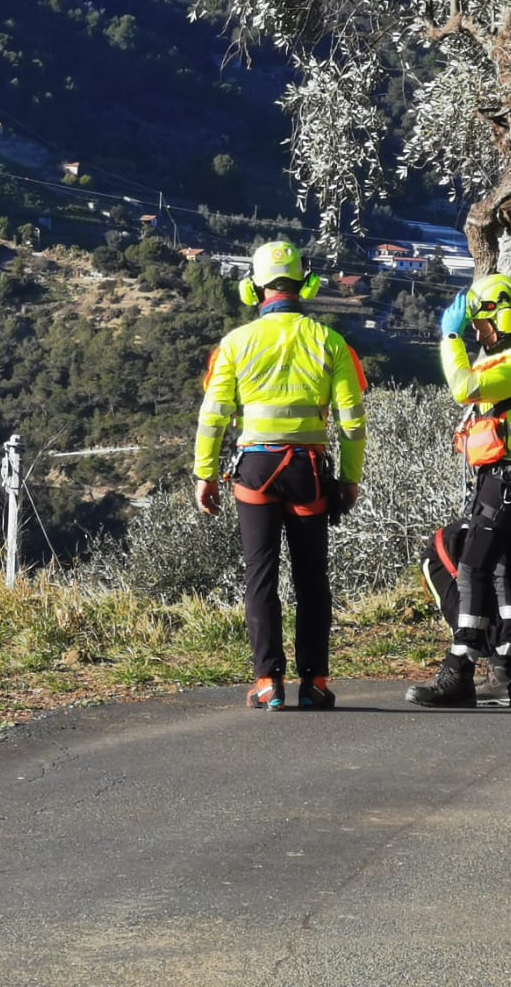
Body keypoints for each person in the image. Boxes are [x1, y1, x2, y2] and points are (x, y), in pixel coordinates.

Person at [193, 239, 367, 711]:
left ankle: (268, 682)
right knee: (312, 579)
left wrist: (204, 474)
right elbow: (351, 421)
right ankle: (316, 683)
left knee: (260, 575)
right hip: (309, 471)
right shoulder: (331, 342)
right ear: (305, 283)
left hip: (255, 470)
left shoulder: (235, 344)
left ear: (253, 289)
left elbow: (214, 417)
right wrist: (350, 480)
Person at [407, 273, 511, 709]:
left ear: (505, 316)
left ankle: (459, 670)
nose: (478, 334)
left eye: (482, 325)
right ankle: (505, 675)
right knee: (506, 569)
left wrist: (450, 335)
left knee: (473, 563)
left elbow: (464, 387)